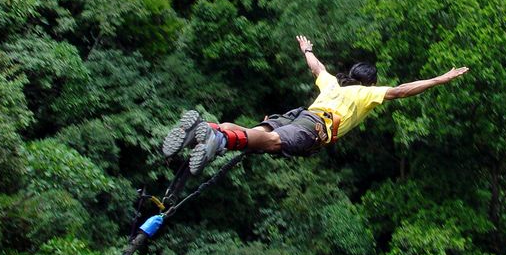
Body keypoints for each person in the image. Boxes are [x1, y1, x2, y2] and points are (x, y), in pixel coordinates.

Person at [162, 35, 469, 174]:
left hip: (303, 114)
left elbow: (317, 68)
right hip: (315, 128)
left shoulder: (334, 83)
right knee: (269, 142)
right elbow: (402, 91)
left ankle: (209, 130)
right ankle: (218, 138)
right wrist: (440, 79)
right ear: (370, 83)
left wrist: (307, 50)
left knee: (254, 135)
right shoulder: (363, 94)